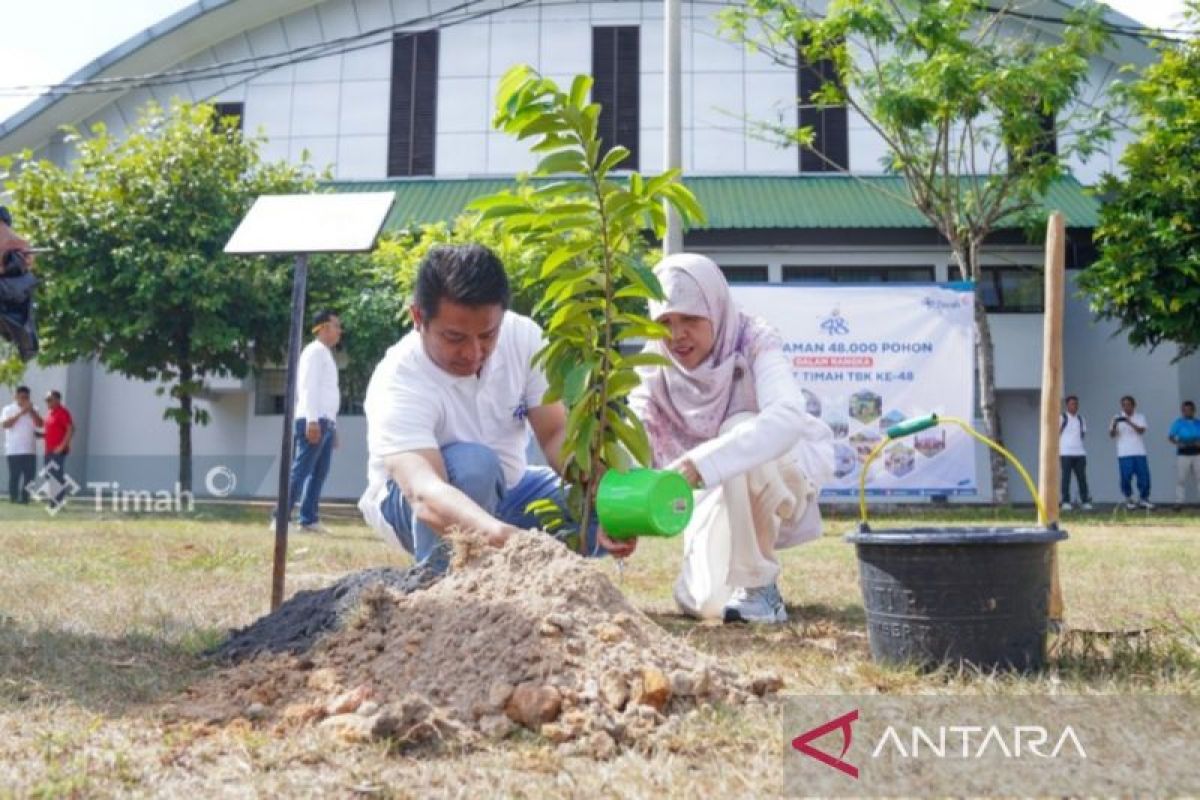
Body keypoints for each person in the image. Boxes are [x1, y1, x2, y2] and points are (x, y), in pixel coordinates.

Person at [358, 243, 631, 574]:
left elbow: (555, 433)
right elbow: (424, 493)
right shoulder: (400, 379)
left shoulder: (523, 338)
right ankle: (443, 591)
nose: (473, 352)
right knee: (475, 465)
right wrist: (507, 540)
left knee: (601, 500)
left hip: (510, 493)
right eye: (454, 337)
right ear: (418, 317)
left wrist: (603, 493)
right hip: (415, 505)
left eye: (488, 334)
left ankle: (536, 585)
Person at [629, 253, 834, 624]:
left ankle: (758, 585)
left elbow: (788, 417)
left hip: (778, 478)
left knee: (738, 425)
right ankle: (728, 580)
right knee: (707, 604)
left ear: (716, 308)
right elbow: (636, 438)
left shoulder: (752, 339)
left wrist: (699, 463)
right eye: (665, 322)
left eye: (690, 319)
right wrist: (625, 521)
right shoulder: (653, 364)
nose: (676, 336)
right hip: (711, 492)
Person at [278, 310, 343, 533]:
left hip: (325, 421)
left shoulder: (325, 354)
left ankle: (309, 518)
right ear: (323, 327)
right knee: (301, 471)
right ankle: (280, 517)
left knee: (319, 473)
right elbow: (309, 388)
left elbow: (327, 394)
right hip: (313, 420)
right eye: (336, 326)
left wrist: (332, 428)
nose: (339, 331)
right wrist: (313, 421)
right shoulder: (314, 352)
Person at [0, 205, 39, 361]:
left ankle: (26, 341)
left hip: (13, 291)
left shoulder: (17, 241)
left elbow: (29, 262)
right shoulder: (19, 241)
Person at [1109, 394, 1152, 510]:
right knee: (1126, 477)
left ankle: (1144, 499)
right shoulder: (1116, 417)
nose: (1126, 407)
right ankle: (1129, 498)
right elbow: (1112, 435)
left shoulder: (1140, 417)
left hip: (1139, 452)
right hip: (1124, 453)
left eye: (1128, 405)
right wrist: (1114, 425)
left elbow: (1141, 430)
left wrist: (1128, 422)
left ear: (1134, 405)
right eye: (1124, 405)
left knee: (1144, 476)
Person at [2, 385, 42, 503]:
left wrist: (32, 412)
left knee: (29, 477)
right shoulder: (8, 409)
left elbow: (40, 424)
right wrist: (21, 413)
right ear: (16, 397)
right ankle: (13, 498)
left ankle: (25, 499)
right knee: (15, 476)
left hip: (30, 450)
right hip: (14, 450)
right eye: (22, 397)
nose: (24, 400)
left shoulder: (34, 408)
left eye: (27, 397)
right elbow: (5, 425)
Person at [1059, 395, 1091, 511]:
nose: (1075, 406)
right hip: (1065, 453)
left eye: (1076, 404)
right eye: (1072, 404)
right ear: (1067, 405)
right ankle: (1066, 501)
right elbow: (1056, 433)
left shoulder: (1081, 419)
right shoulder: (1062, 418)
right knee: (1066, 478)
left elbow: (1082, 435)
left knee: (1082, 478)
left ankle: (1085, 500)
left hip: (1080, 453)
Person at [42, 390, 75, 501]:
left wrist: (62, 446)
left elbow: (70, 429)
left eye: (49, 400)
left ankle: (57, 500)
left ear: (57, 400)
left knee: (55, 475)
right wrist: (40, 435)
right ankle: (54, 499)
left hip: (58, 451)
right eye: (46, 400)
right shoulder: (49, 413)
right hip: (48, 450)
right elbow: (51, 431)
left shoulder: (62, 412)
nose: (47, 402)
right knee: (49, 475)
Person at [1168, 400, 1200, 510]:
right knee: (1181, 479)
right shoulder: (1178, 423)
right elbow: (1171, 437)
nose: (1187, 412)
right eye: (1184, 410)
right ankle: (1179, 502)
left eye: (1189, 410)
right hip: (1183, 454)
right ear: (1182, 411)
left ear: (1193, 410)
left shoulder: (1198, 423)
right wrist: (1178, 443)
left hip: (1197, 454)